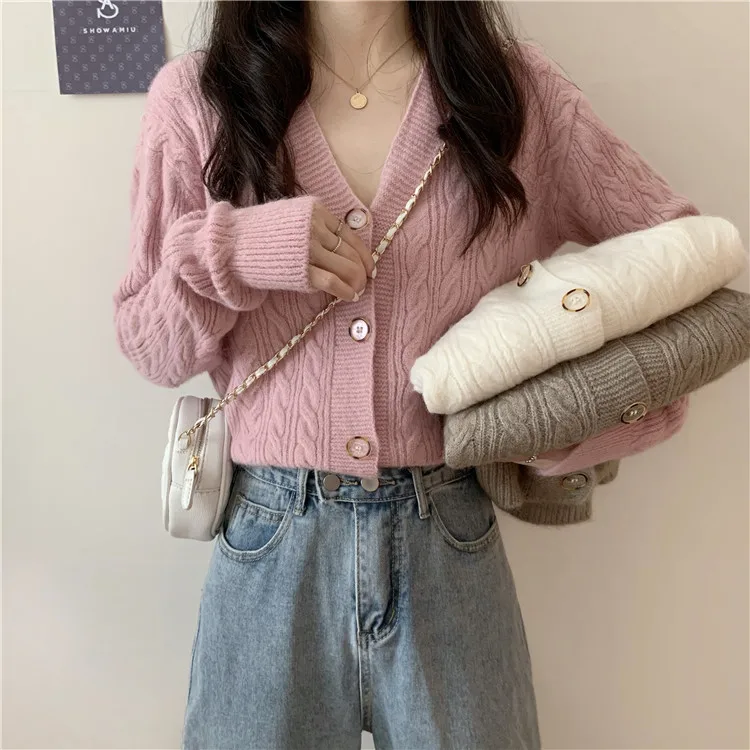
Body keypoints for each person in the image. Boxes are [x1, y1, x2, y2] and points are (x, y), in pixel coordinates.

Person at [113, 2, 696, 747]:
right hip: (268, 549)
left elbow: (681, 268)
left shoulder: (511, 93)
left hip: (449, 537)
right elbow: (149, 346)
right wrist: (233, 251)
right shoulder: (202, 97)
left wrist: (566, 423)